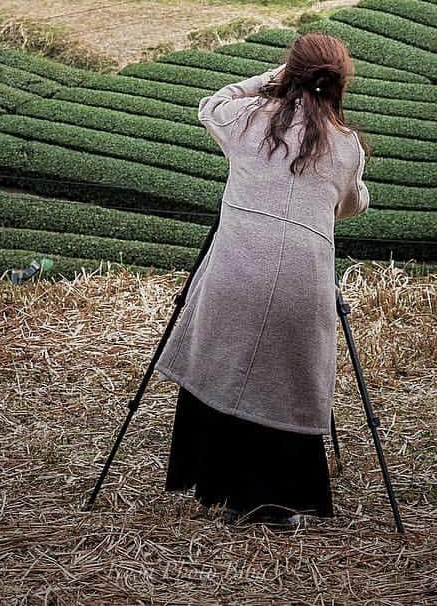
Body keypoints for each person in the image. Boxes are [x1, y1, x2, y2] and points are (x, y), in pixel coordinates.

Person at [155, 32, 371, 528]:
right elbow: (352, 205)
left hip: (236, 272)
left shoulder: (247, 120)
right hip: (304, 286)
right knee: (287, 385)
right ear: (340, 84)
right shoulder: (347, 147)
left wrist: (270, 82)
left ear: (288, 73)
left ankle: (221, 487)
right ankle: (276, 502)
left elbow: (212, 104)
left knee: (226, 367)